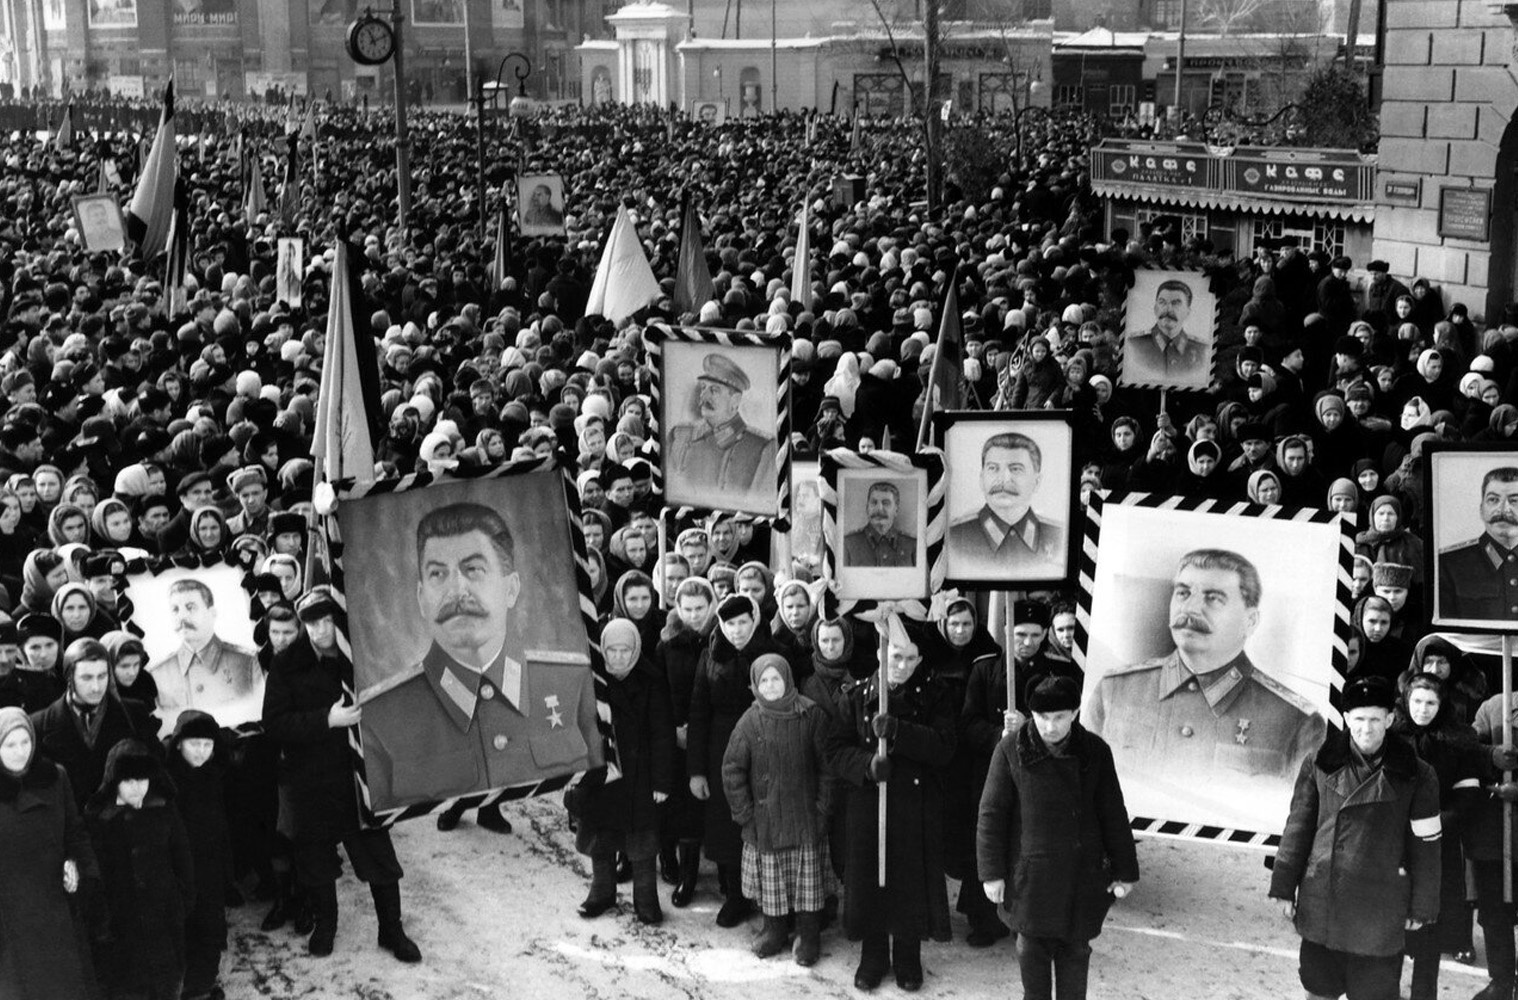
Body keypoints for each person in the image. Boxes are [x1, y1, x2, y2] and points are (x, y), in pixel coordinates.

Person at [360, 503, 602, 810]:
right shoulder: (379, 718)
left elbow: (600, 785)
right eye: (437, 574)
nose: (457, 590)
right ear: (422, 599)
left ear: (511, 589)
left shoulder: (574, 682)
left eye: (474, 569)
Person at [1084, 549, 1326, 828]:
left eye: (1213, 598)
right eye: (1183, 593)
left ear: (1250, 621)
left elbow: (1302, 822)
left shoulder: (1296, 722)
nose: (1191, 609)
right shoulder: (1114, 691)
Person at [261, 587, 421, 962]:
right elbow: (274, 723)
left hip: (360, 776)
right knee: (316, 858)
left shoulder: (362, 656)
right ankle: (326, 926)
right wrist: (326, 720)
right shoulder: (287, 664)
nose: (320, 630)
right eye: (312, 623)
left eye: (328, 621)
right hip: (312, 776)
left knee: (378, 854)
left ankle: (391, 930)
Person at [1268, 676, 1442, 1000]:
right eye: (1359, 719)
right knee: (1318, 989)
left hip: (1380, 910)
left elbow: (1427, 847)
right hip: (1324, 903)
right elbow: (1298, 827)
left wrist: (1423, 906)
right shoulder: (1319, 762)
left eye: (1375, 719)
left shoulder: (1419, 774)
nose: (1367, 729)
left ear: (1390, 719)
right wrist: (1282, 885)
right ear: (1346, 718)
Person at [977, 675, 1140, 1000]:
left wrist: (1126, 870)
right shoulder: (1012, 749)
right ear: (1032, 715)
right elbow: (991, 813)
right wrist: (991, 873)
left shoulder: (1095, 751)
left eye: (1059, 718)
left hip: (1080, 876)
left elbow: (1113, 813)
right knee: (1031, 953)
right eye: (1042, 718)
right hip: (1031, 877)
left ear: (1075, 713)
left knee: (1075, 952)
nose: (1050, 727)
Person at [825, 620, 957, 993]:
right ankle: (873, 954)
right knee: (871, 877)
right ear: (882, 653)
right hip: (869, 803)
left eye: (911, 657)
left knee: (908, 880)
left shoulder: (934, 694)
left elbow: (946, 747)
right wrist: (866, 765)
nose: (903, 665)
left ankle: (907, 954)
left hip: (915, 807)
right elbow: (834, 750)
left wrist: (901, 731)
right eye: (896, 656)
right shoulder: (856, 695)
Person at [721, 652, 834, 965]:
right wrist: (745, 816)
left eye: (777, 678)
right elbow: (732, 771)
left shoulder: (810, 716)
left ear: (788, 680)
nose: (771, 686)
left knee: (807, 887)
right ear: (756, 684)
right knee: (773, 886)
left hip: (805, 818)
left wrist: (823, 809)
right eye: (764, 680)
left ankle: (808, 934)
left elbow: (828, 767)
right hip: (766, 821)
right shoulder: (749, 721)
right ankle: (774, 930)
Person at [565, 618, 673, 925]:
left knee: (641, 843)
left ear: (636, 649)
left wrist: (662, 781)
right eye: (611, 650)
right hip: (603, 773)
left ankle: (646, 899)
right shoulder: (593, 681)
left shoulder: (652, 681)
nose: (618, 656)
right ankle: (602, 891)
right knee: (601, 837)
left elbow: (662, 734)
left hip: (640, 775)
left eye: (626, 649)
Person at [687, 593, 776, 926]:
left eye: (743, 623)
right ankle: (735, 893)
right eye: (729, 624)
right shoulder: (710, 656)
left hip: (765, 745)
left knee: (762, 818)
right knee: (726, 823)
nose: (737, 631)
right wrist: (696, 771)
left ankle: (768, 895)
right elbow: (698, 712)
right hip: (721, 748)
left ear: (754, 621)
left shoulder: (773, 655)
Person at [0, 707, 100, 1000]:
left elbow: (75, 833)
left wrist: (77, 865)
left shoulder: (55, 778)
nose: (20, 752)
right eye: (9, 745)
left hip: (56, 906)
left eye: (25, 742)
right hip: (10, 917)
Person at [84, 738, 195, 1000]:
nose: (138, 788)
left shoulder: (163, 809)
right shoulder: (99, 819)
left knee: (169, 982)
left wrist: (182, 900)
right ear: (114, 782)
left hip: (165, 918)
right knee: (129, 986)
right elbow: (95, 874)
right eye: (129, 781)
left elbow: (182, 856)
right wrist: (103, 920)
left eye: (143, 780)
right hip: (123, 925)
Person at [31, 638, 157, 811]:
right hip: (69, 830)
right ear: (69, 678)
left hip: (121, 826)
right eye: (86, 678)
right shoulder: (38, 725)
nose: (96, 687)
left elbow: (157, 772)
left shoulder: (134, 715)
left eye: (102, 676)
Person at [165, 710, 232, 1000]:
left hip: (210, 868)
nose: (201, 752)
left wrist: (227, 870)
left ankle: (202, 986)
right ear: (179, 743)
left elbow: (225, 828)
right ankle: (183, 987)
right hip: (179, 869)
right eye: (194, 744)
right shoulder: (166, 781)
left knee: (209, 929)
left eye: (207, 745)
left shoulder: (216, 777)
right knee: (183, 930)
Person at [666, 353, 778, 509]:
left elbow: (759, 507)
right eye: (703, 388)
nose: (703, 396)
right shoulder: (679, 435)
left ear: (735, 401)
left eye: (714, 390)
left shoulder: (763, 447)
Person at [947, 431, 1066, 577]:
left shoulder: (1059, 536)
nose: (1004, 479)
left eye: (1016, 469)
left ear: (1037, 482)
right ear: (981, 478)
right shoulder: (955, 537)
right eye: (993, 468)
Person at [146, 577, 262, 723]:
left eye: (190, 607)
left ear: (212, 613)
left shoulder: (247, 663)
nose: (182, 616)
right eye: (175, 609)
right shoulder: (158, 674)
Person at [1437, 466, 1518, 619]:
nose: (1502, 510)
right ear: (1481, 509)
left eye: (1515, 500)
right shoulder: (1449, 564)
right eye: (1493, 500)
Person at [1124, 279, 1210, 386]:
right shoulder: (1134, 345)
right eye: (1162, 302)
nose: (1168, 309)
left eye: (1176, 303)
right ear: (1155, 308)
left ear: (1188, 312)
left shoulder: (1202, 351)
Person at [843, 480, 918, 568]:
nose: (879, 509)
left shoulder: (912, 545)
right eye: (874, 503)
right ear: (867, 508)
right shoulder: (848, 544)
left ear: (896, 510)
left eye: (886, 503)